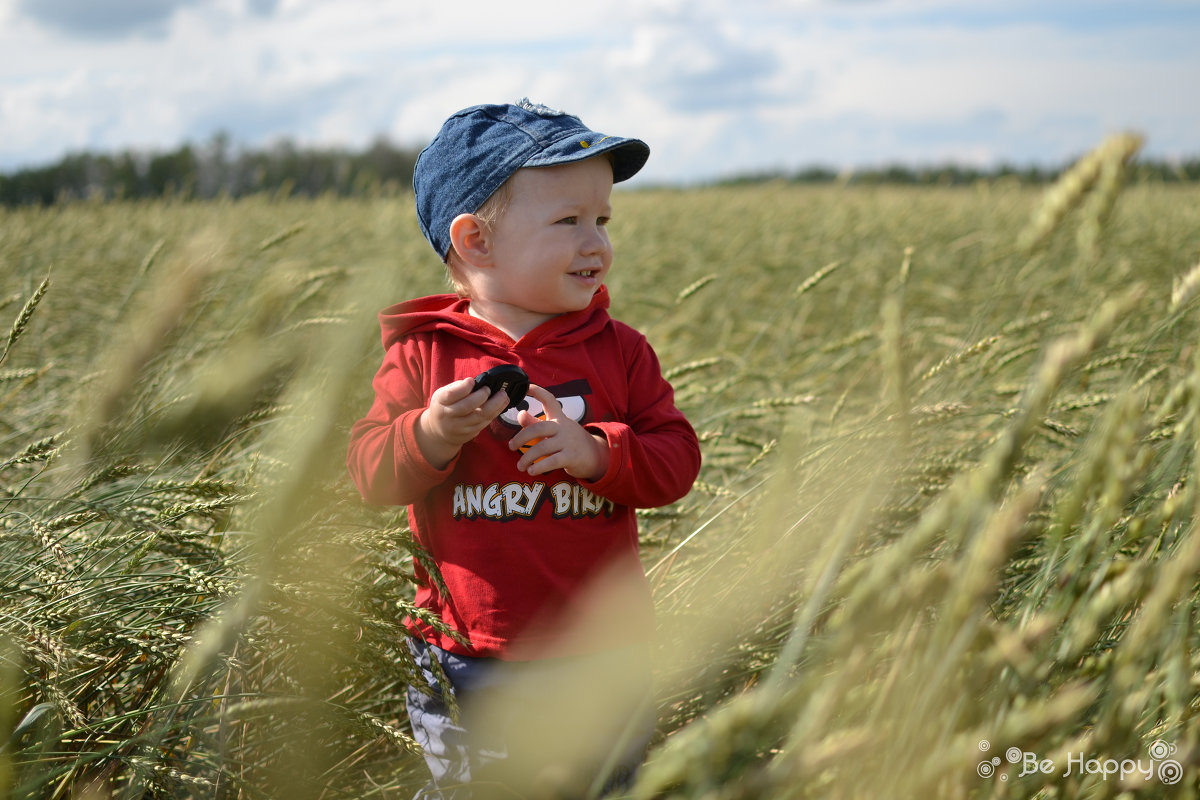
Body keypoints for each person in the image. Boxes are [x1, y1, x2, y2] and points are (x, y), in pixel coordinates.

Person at [346, 99, 701, 798]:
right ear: (475, 240)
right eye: (569, 222)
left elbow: (676, 459)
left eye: (602, 220)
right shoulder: (423, 354)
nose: (596, 242)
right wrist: (429, 435)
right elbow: (368, 473)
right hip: (466, 651)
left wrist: (595, 451)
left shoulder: (621, 351)